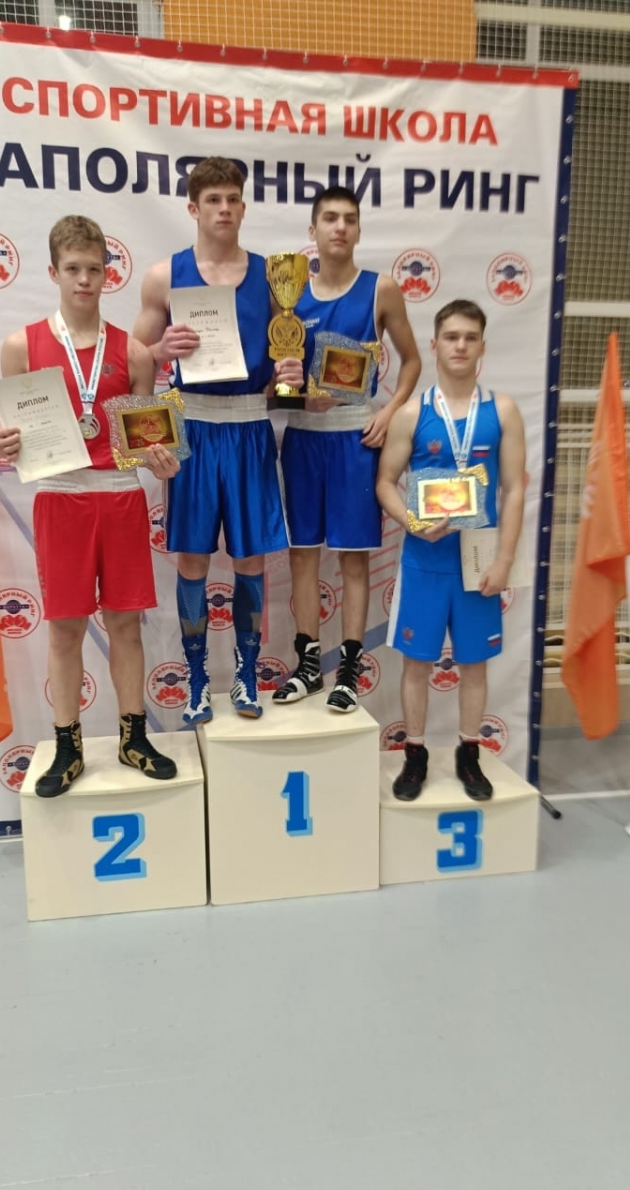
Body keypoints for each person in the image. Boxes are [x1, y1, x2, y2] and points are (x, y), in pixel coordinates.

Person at [0, 215, 180, 798]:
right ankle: (67, 745)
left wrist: (159, 458)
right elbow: (13, 436)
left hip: (120, 498)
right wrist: (6, 442)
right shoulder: (21, 346)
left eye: (93, 269)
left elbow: (144, 439)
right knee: (65, 629)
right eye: (72, 268)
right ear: (53, 272)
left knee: (125, 625)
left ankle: (133, 736)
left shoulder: (135, 353)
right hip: (61, 498)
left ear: (107, 274)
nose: (83, 279)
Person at [132, 157, 303, 725]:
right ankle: (199, 681)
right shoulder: (164, 276)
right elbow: (133, 361)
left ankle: (248, 676)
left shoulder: (274, 278)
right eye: (213, 200)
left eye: (232, 199)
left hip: (250, 426)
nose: (224, 209)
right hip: (194, 429)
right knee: (192, 558)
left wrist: (291, 375)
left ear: (243, 206)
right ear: (193, 208)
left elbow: (285, 367)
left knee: (250, 557)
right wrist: (160, 352)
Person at [272, 186, 421, 714]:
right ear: (312, 230)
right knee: (303, 555)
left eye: (349, 219)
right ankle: (308, 665)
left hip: (356, 437)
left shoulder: (382, 290)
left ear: (358, 229)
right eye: (330, 218)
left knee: (354, 559)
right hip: (303, 437)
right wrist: (293, 393)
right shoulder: (288, 295)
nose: (340, 227)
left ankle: (350, 672)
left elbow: (412, 361)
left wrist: (390, 410)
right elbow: (278, 378)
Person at [376, 299, 526, 800]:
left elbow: (514, 489)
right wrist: (413, 523)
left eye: (470, 337)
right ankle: (414, 755)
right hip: (425, 561)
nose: (460, 345)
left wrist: (504, 560)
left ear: (483, 346)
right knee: (416, 664)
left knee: (474, 664)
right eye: (451, 337)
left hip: (478, 561)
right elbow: (385, 482)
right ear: (434, 344)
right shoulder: (412, 413)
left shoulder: (502, 411)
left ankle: (469, 754)